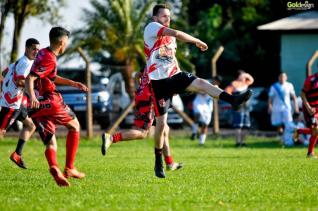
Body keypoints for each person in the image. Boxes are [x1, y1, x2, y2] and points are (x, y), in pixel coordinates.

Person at [144, 4, 252, 178]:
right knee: (162, 125)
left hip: (175, 76)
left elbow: (171, 59)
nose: (167, 18)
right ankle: (158, 162)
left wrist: (179, 82)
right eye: (164, 16)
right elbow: (178, 34)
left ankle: (234, 101)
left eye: (169, 16)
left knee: (202, 82)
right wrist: (196, 40)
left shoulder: (169, 38)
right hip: (159, 83)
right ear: (155, 18)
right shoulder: (152, 28)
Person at [25, 27, 88, 187]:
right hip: (50, 101)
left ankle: (54, 167)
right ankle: (70, 168)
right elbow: (30, 78)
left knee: (50, 141)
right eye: (66, 42)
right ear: (62, 42)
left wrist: (73, 83)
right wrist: (32, 95)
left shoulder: (43, 53)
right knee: (74, 126)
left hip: (36, 107)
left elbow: (49, 76)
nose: (67, 45)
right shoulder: (50, 58)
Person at [101, 69, 183, 171]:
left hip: (144, 96)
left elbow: (137, 75)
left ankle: (169, 163)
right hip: (150, 100)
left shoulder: (150, 62)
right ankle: (111, 138)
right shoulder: (163, 64)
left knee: (164, 129)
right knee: (142, 132)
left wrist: (140, 88)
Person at [0, 38, 40, 169]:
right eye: (34, 49)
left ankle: (17, 154)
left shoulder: (20, 61)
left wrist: (5, 87)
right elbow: (19, 81)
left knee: (30, 125)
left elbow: (4, 72)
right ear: (27, 48)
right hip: (10, 104)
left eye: (38, 50)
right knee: (1, 132)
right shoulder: (26, 63)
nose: (36, 52)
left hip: (17, 103)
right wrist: (34, 85)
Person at [225, 71, 254, 147]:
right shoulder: (234, 83)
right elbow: (227, 91)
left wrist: (246, 74)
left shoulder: (246, 83)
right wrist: (233, 100)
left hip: (246, 107)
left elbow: (252, 80)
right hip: (238, 107)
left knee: (246, 125)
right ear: (239, 76)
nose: (244, 77)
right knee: (238, 125)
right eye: (242, 75)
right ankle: (238, 142)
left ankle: (243, 142)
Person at [268, 72, 299, 142]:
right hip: (276, 108)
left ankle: (290, 138)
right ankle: (281, 138)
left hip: (287, 108)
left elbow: (294, 97)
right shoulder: (274, 86)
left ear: (286, 77)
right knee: (278, 124)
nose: (282, 78)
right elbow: (270, 98)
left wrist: (296, 107)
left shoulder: (289, 85)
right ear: (278, 78)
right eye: (280, 77)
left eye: (283, 77)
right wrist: (269, 106)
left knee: (288, 123)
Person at [300, 72, 318, 158]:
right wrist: (308, 107)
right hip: (309, 109)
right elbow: (302, 94)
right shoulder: (311, 80)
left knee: (316, 131)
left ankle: (299, 131)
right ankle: (310, 153)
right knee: (316, 129)